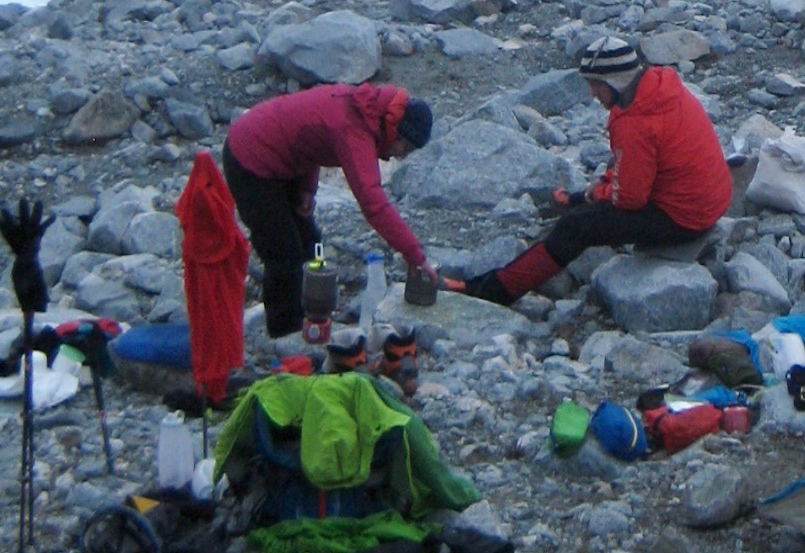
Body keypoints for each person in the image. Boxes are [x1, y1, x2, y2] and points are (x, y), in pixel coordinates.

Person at [470, 38, 731, 304]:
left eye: (596, 84)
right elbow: (639, 161)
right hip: (709, 200)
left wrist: (603, 192)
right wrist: (606, 185)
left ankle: (494, 291)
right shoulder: (658, 89)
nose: (593, 93)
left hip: (686, 219)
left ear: (616, 81)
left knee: (578, 226)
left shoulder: (635, 121)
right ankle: (577, 198)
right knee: (612, 167)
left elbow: (630, 199)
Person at [222, 84, 435, 337]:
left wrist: (307, 189)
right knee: (284, 254)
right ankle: (285, 335)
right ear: (398, 132)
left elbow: (310, 138)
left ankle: (312, 310)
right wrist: (415, 255)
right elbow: (374, 204)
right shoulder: (354, 129)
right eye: (405, 149)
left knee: (311, 244)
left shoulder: (365, 110)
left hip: (282, 159)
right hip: (250, 160)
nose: (401, 156)